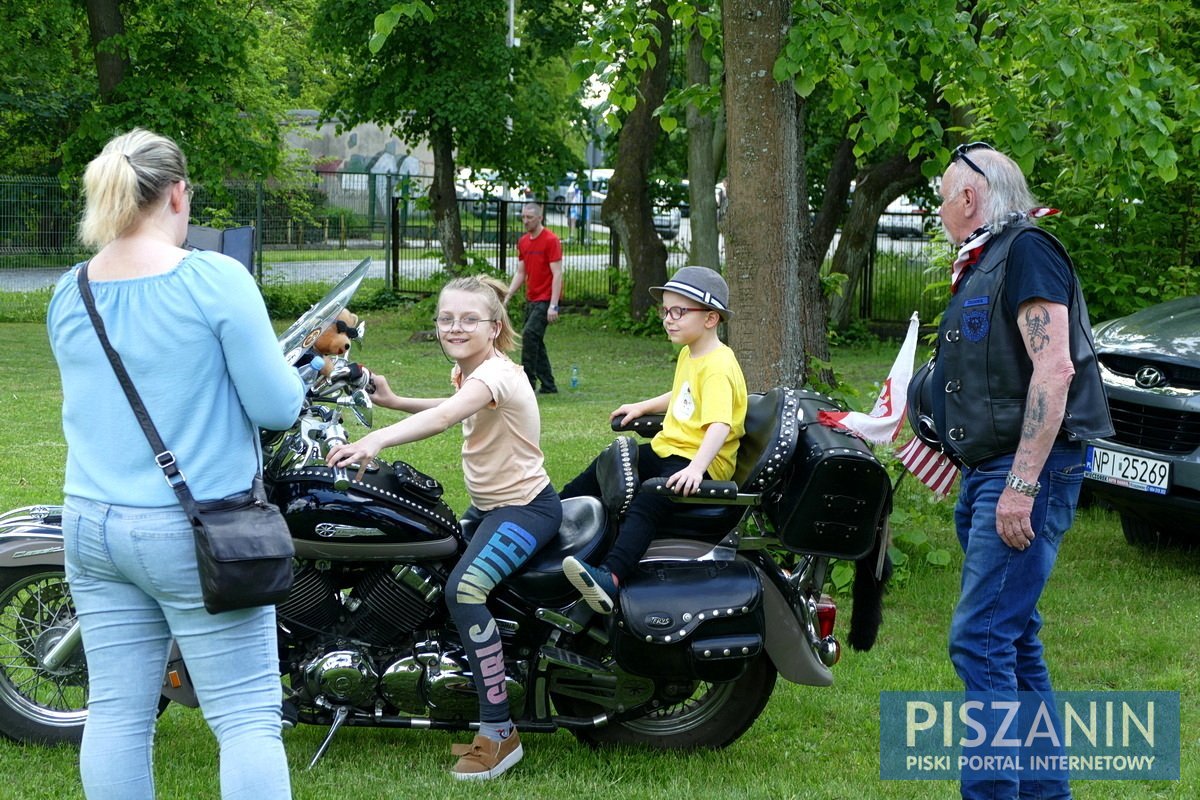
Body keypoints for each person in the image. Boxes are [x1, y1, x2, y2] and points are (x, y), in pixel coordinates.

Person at [47, 129, 302, 799]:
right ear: (178, 194)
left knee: (117, 715)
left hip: (92, 526)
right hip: (194, 530)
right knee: (246, 718)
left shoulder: (69, 290)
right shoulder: (214, 278)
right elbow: (277, 407)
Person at [931, 142, 1114, 800]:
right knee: (1013, 639)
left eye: (942, 199)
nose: (939, 212)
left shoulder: (1027, 249)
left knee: (979, 639)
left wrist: (1022, 485)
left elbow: (1055, 367)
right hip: (988, 472)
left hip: (1023, 474)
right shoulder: (985, 263)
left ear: (970, 199)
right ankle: (1044, 793)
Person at [326, 275, 561, 781]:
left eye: (469, 319)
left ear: (495, 327)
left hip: (524, 509)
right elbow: (450, 407)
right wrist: (393, 401)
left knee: (464, 592)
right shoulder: (471, 371)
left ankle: (499, 733)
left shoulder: (495, 374)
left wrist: (376, 441)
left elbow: (447, 418)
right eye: (446, 318)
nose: (455, 327)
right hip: (489, 508)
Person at [560, 266, 747, 614]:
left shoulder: (720, 366)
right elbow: (681, 394)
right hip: (672, 451)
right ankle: (552, 515)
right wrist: (641, 406)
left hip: (699, 465)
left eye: (679, 312)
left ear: (710, 318)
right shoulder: (692, 354)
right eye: (665, 311)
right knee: (608, 464)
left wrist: (696, 468)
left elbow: (720, 424)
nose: (668, 320)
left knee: (650, 497)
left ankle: (610, 578)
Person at [505, 202, 562, 394]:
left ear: (540, 218)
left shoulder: (551, 240)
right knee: (535, 340)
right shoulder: (523, 242)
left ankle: (527, 383)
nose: (525, 221)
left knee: (529, 335)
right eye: (523, 217)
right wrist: (508, 295)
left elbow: (557, 274)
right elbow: (521, 272)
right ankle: (548, 385)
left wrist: (553, 305)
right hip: (532, 298)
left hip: (546, 299)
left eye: (529, 217)